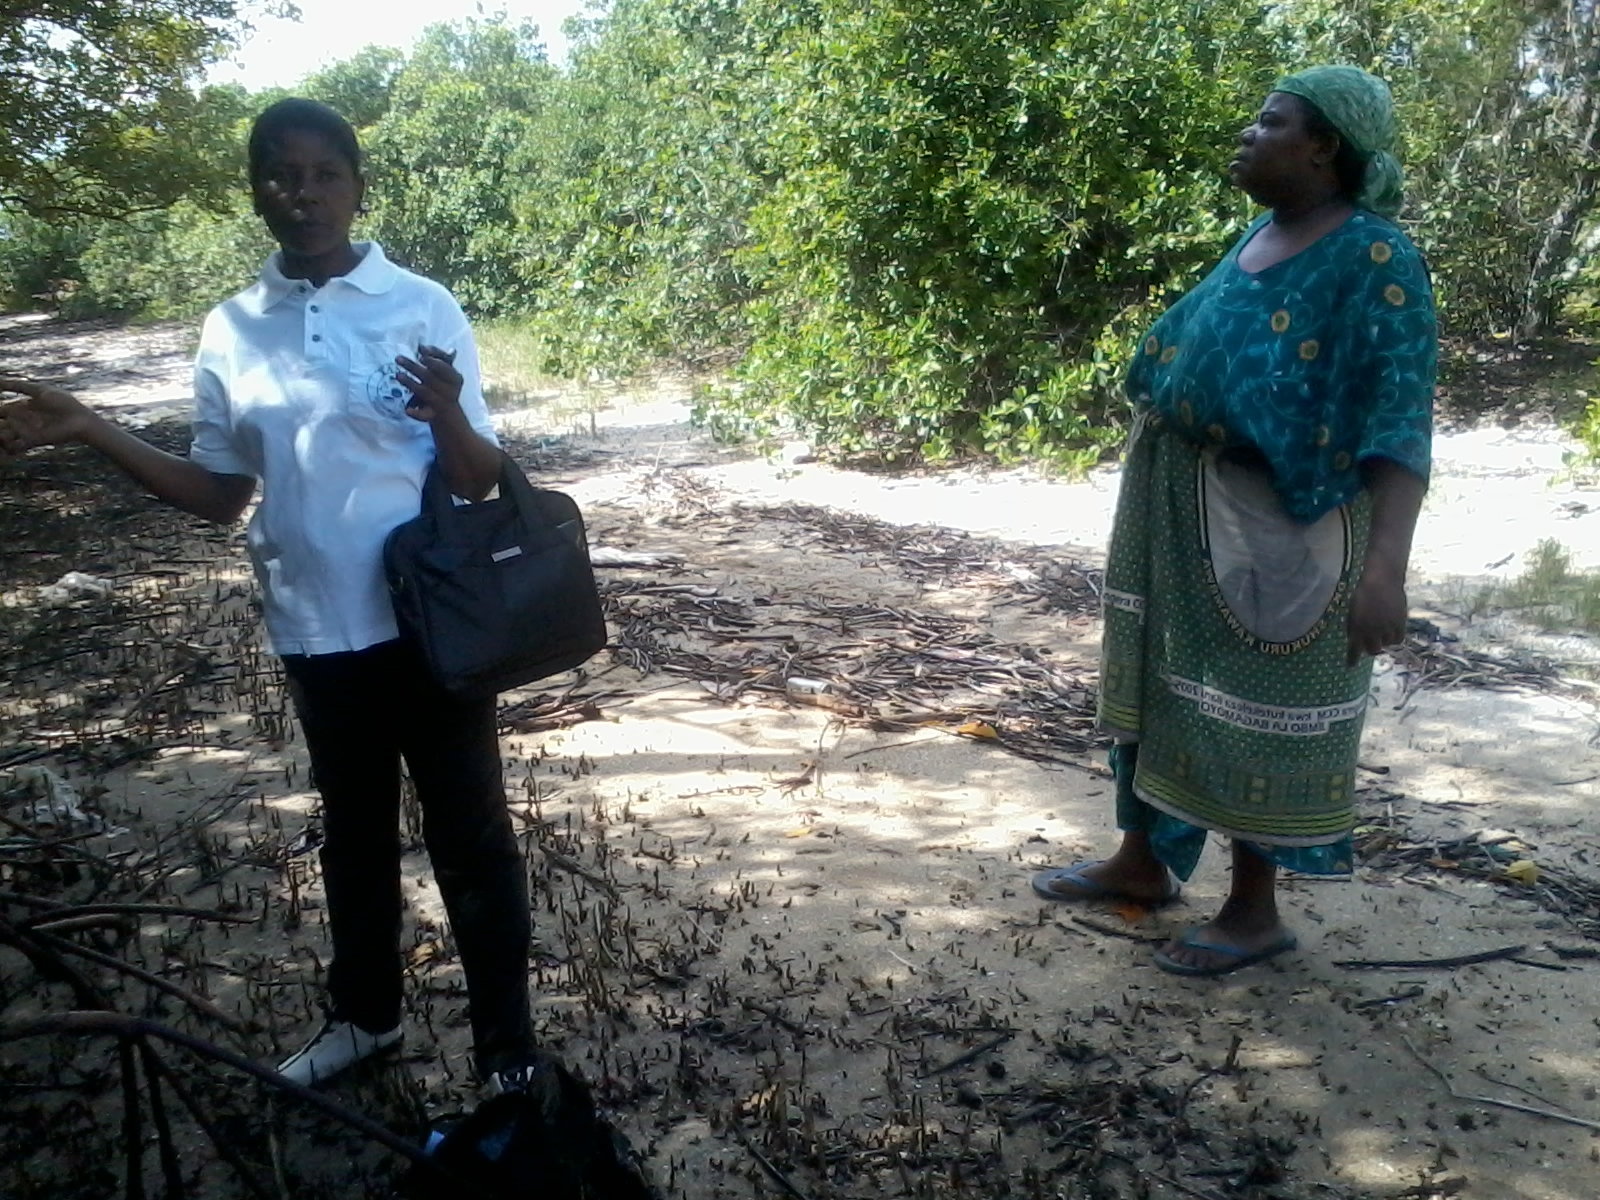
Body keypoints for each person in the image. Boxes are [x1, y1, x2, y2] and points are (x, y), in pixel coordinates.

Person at [0, 99, 541, 1088]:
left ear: (356, 185)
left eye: (323, 172)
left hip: (430, 625)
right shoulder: (233, 327)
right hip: (313, 626)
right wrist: (90, 428)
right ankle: (367, 1020)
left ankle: (508, 1055)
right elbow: (218, 496)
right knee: (355, 838)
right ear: (254, 191)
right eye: (279, 174)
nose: (303, 193)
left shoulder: (419, 303)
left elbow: (474, 478)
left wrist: (453, 412)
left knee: (472, 843)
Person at [1030, 66, 1435, 976]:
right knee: (1165, 676)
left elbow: (1400, 420)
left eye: (1272, 121)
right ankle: (1143, 861)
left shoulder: (1377, 256)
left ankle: (1255, 911)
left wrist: (1386, 572)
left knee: (1264, 701)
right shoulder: (1263, 232)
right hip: (1184, 492)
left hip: (1290, 514)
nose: (1249, 134)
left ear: (1324, 145)